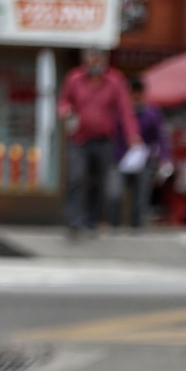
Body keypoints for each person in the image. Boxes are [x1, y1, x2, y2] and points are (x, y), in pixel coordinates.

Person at [58, 48, 140, 237]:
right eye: (89, 60)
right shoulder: (74, 78)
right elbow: (64, 101)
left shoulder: (115, 80)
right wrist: (65, 110)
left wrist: (132, 135)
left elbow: (125, 109)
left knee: (98, 182)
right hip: (78, 139)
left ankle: (92, 221)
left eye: (97, 61)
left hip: (103, 140)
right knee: (76, 178)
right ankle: (74, 221)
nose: (93, 64)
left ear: (104, 61)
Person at [108, 77, 171, 229]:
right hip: (120, 158)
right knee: (114, 194)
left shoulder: (152, 113)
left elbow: (161, 137)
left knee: (140, 197)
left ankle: (137, 226)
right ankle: (115, 224)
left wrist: (165, 158)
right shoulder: (118, 112)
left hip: (144, 159)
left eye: (138, 93)